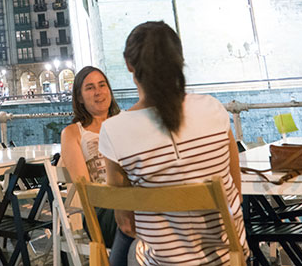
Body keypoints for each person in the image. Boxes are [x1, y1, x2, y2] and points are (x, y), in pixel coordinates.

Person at [99, 22, 247, 266]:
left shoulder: (115, 130)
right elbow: (236, 191)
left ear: (129, 65)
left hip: (163, 262)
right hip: (229, 257)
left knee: (127, 245)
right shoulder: (213, 109)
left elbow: (126, 222)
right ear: (179, 59)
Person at [60, 66, 131, 265]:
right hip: (101, 211)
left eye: (102, 85)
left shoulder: (126, 123)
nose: (98, 92)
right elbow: (85, 189)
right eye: (90, 88)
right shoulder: (73, 133)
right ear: (80, 97)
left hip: (134, 200)